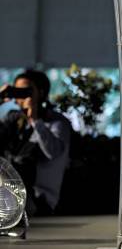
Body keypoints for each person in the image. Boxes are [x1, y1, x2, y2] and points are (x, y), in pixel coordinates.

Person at [0, 70, 71, 215]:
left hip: (40, 200)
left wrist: (35, 120)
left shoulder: (57, 122)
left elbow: (53, 152)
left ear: (41, 92)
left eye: (27, 91)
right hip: (10, 195)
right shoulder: (13, 119)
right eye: (18, 91)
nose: (22, 96)